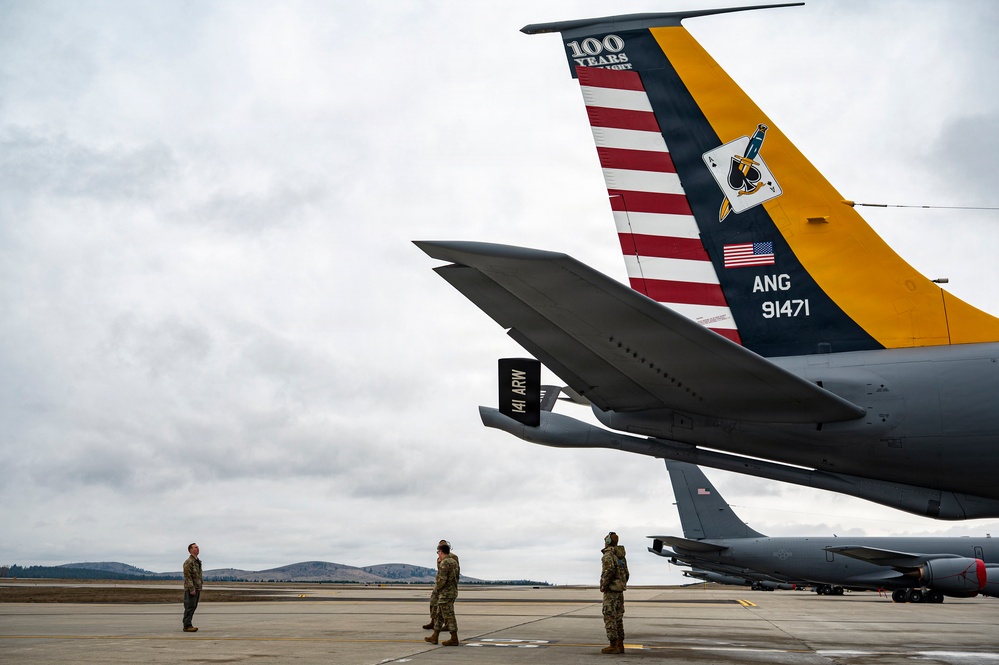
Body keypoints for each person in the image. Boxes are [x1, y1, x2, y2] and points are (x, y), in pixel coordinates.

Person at [424, 540, 460, 646]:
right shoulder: (454, 561)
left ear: (441, 551)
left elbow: (442, 580)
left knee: (449, 616)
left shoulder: (445, 562)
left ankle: (454, 638)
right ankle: (435, 635)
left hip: (446, 593)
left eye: (438, 552)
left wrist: (437, 590)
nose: (438, 554)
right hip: (450, 591)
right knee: (439, 615)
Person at [599, 531, 629, 654]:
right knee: (618, 617)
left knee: (609, 616)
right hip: (620, 590)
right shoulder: (621, 556)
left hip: (611, 591)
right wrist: (621, 583)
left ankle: (613, 644)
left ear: (607, 542)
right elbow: (627, 574)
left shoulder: (608, 555)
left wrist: (604, 585)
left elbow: (609, 571)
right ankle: (620, 644)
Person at [423, 539, 452, 630]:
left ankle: (448, 624)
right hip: (439, 583)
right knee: (433, 602)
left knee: (447, 606)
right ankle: (433, 621)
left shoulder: (452, 558)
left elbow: (454, 572)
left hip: (447, 585)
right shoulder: (439, 559)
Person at [182, 542, 203, 632]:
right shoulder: (188, 562)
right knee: (189, 606)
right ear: (190, 550)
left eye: (197, 547)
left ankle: (189, 624)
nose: (197, 548)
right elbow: (188, 576)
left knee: (193, 606)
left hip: (197, 588)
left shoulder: (197, 561)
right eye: (195, 547)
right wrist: (191, 588)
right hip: (191, 588)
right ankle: (187, 625)